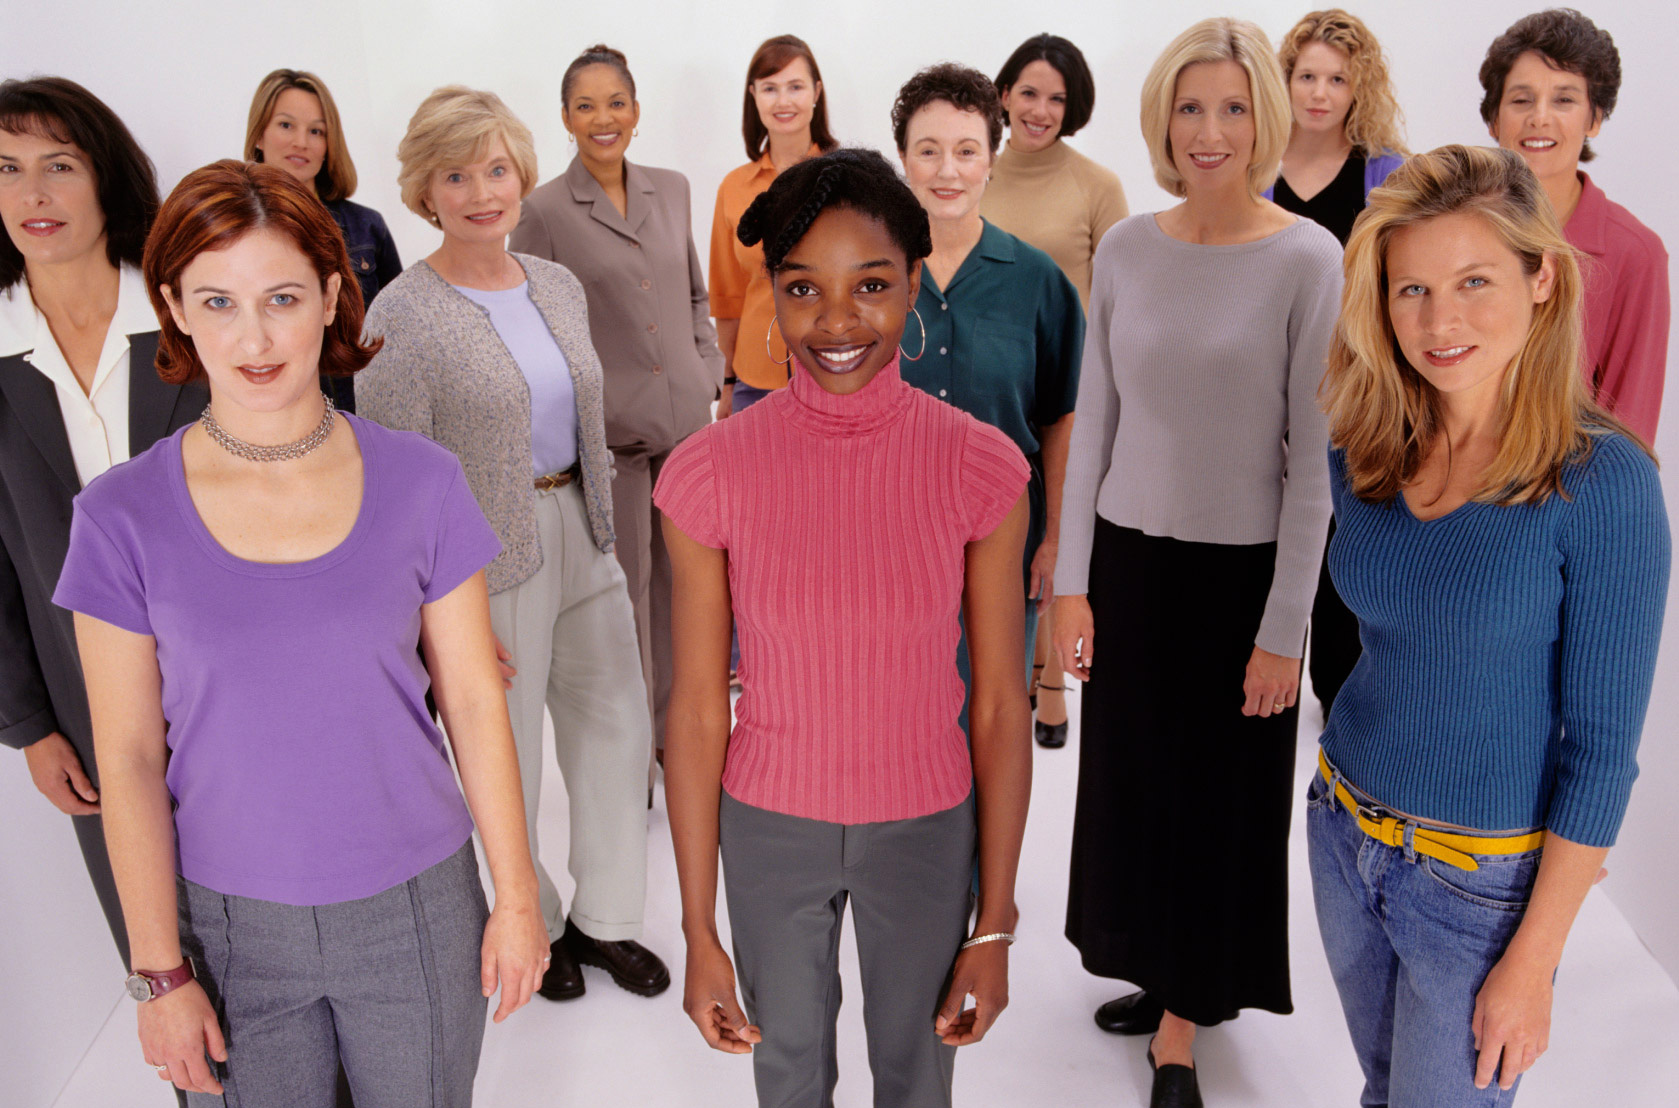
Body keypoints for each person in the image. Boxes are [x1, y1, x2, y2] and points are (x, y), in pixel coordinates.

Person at [53, 159, 548, 1105]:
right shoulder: (119, 516)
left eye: (281, 296)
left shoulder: (423, 481)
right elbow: (124, 757)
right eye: (218, 301)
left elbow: (477, 702)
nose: (253, 337)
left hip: (418, 908)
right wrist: (158, 973)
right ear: (174, 307)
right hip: (228, 929)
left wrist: (517, 897)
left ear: (331, 295)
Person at [656, 147, 1032, 1108]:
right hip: (768, 824)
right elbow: (698, 711)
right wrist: (699, 932)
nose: (836, 321)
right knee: (787, 1080)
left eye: (871, 285)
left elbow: (996, 704)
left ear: (915, 283)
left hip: (926, 822)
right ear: (769, 299)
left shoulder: (979, 469)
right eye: (801, 289)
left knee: (916, 1078)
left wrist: (993, 925)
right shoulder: (708, 474)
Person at [1312, 143, 1669, 1107]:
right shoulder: (1367, 441)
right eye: (1410, 290)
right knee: (1382, 1089)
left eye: (1474, 281)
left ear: (1540, 276)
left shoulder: (1604, 484)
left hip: (1476, 891)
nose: (1439, 321)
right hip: (1343, 832)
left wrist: (1534, 962)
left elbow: (1600, 755)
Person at [1052, 18, 1341, 1108]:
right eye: (1188, 107)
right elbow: (1095, 426)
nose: (1208, 130)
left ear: (1262, 116)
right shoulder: (1127, 247)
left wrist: (1282, 632)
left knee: (1215, 801)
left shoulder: (1307, 258)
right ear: (1161, 118)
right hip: (1128, 565)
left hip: (1238, 584)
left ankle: (1181, 1027)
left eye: (1229, 107)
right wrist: (1072, 583)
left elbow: (1312, 475)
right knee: (1132, 785)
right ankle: (1160, 967)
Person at [358, 85, 669, 1004]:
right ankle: (529, 917)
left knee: (615, 728)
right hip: (480, 560)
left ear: (520, 176)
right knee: (508, 754)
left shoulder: (555, 284)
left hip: (584, 525)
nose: (480, 191)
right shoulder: (400, 315)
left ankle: (607, 921)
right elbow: (394, 483)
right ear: (425, 191)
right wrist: (432, 610)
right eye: (455, 174)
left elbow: (582, 411)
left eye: (495, 169)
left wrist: (601, 530)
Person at [0, 76, 206, 973]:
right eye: (6, 169)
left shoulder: (196, 314)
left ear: (107, 180)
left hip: (243, 681)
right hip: (88, 708)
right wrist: (29, 725)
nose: (32, 194)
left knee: (290, 951)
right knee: (166, 970)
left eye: (59, 165)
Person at [510, 45, 724, 760]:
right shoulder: (541, 211)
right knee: (625, 599)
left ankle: (679, 740)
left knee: (687, 592)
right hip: (611, 442)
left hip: (688, 427)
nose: (603, 118)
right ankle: (631, 755)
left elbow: (694, 293)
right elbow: (533, 326)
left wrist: (708, 368)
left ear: (636, 111)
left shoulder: (674, 186)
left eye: (615, 102)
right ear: (565, 117)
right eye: (585, 105)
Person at [891, 62, 1084, 742]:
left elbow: (1060, 416)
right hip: (889, 535)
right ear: (902, 159)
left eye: (966, 150)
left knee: (991, 722)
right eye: (929, 149)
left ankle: (985, 853)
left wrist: (1056, 537)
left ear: (991, 159)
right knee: (897, 723)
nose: (948, 169)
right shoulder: (871, 276)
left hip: (1004, 536)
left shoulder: (1036, 281)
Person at [983, 33, 1125, 749]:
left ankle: (1048, 685)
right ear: (1003, 93)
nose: (1039, 110)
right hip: (992, 386)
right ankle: (1008, 679)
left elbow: (1118, 301)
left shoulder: (1095, 186)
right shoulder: (972, 170)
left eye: (1056, 98)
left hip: (1071, 389)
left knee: (1057, 538)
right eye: (1029, 92)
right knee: (1000, 539)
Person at [1269, 8, 1410, 719]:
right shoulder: (1250, 167)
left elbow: (1402, 292)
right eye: (1306, 76)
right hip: (1263, 395)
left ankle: (1338, 698)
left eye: (1336, 80)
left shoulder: (1385, 175)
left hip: (1356, 396)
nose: (1319, 93)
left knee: (1342, 549)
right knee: (1266, 542)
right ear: (1282, 79)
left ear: (1359, 89)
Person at [1480, 8, 1668, 445]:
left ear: (1594, 119)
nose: (1539, 118)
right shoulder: (1455, 231)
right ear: (1494, 120)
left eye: (1564, 100)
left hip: (1569, 502)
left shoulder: (1636, 253)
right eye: (1521, 100)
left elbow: (1630, 428)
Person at [244, 68, 403, 412]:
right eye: (286, 125)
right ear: (259, 135)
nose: (301, 142)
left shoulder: (366, 227)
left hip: (372, 412)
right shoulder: (235, 233)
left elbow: (403, 330)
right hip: (280, 413)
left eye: (316, 131)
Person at [709, 34, 838, 420]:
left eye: (795, 87)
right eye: (770, 88)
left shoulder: (849, 178)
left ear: (816, 92)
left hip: (835, 370)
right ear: (754, 96)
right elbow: (728, 299)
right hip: (755, 381)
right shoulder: (734, 187)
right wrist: (728, 384)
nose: (783, 101)